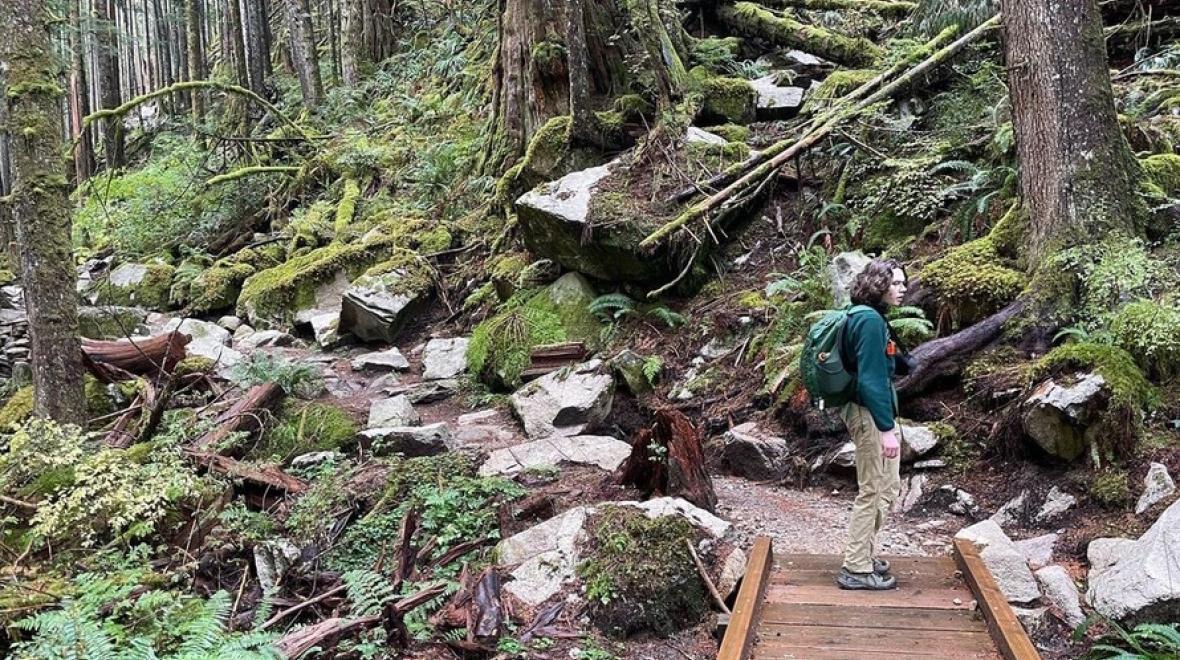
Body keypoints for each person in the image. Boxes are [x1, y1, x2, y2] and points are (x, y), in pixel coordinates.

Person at [836, 259, 908, 590]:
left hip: (871, 412)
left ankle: (863, 553)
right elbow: (871, 379)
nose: (903, 288)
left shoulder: (871, 317)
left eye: (903, 283)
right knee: (873, 488)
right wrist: (886, 429)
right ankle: (856, 567)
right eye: (895, 283)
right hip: (868, 413)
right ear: (878, 285)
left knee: (888, 486)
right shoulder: (867, 321)